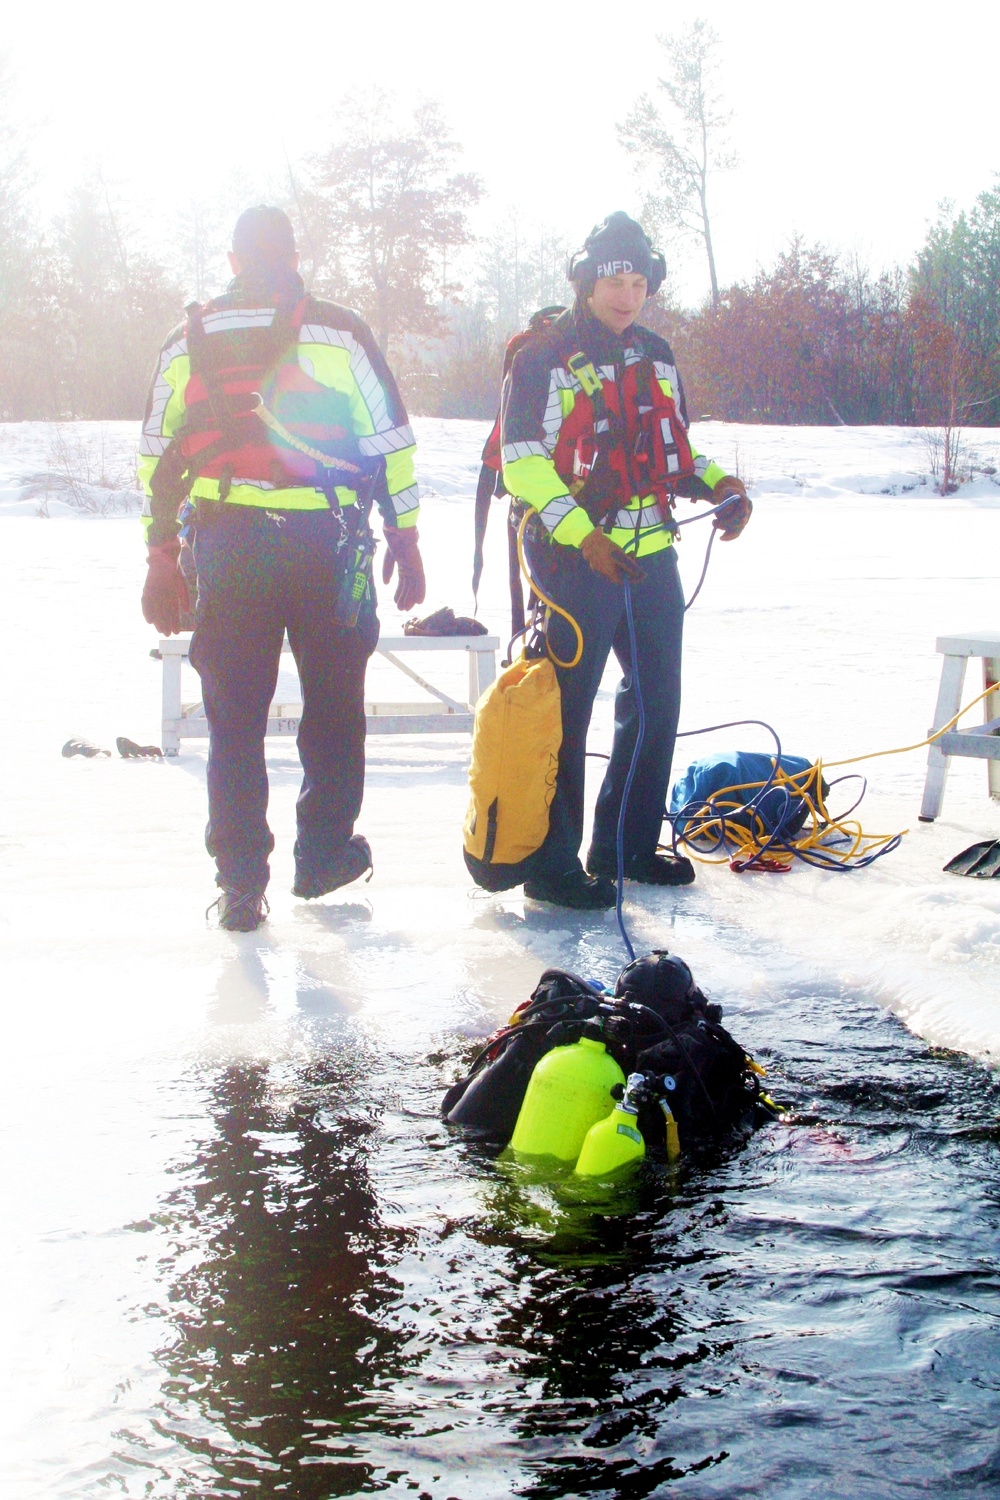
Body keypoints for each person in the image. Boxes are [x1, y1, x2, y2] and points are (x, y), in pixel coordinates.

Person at [138, 206, 425, 931]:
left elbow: (155, 456)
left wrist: (161, 553)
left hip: (227, 542)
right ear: (294, 257)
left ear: (233, 261)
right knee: (332, 704)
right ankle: (323, 852)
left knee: (234, 718)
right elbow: (391, 442)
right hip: (324, 543)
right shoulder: (340, 329)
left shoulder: (185, 339)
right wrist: (407, 535)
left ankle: (240, 883)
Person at [500, 211, 751, 910]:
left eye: (640, 280)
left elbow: (674, 450)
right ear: (586, 280)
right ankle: (551, 865)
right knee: (566, 713)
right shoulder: (541, 358)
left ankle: (627, 847)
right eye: (615, 278)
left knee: (656, 702)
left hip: (650, 556)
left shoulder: (659, 354)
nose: (627, 293)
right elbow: (522, 464)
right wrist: (584, 536)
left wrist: (719, 486)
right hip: (574, 559)